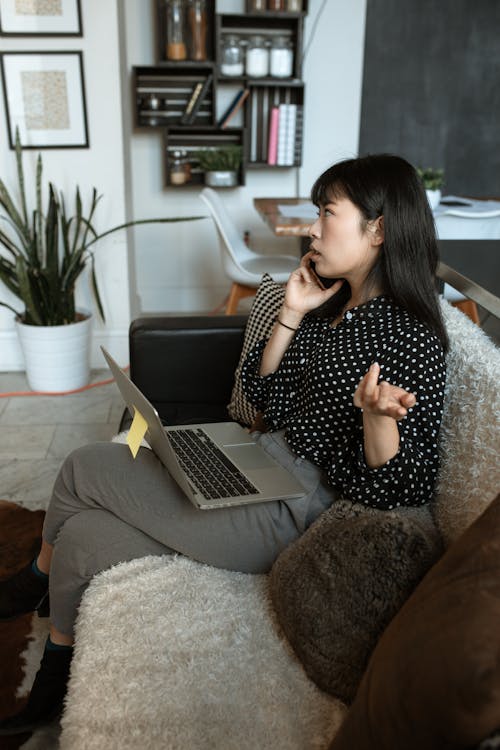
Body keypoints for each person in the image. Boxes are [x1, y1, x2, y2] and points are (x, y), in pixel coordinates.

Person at [0, 153, 448, 735]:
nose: (313, 229)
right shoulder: (338, 306)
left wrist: (377, 419)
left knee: (86, 467)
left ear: (379, 228)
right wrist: (290, 312)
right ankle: (49, 691)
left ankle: (31, 580)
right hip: (260, 460)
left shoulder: (411, 335)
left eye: (327, 213)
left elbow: (401, 488)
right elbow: (268, 399)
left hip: (292, 510)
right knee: (85, 535)